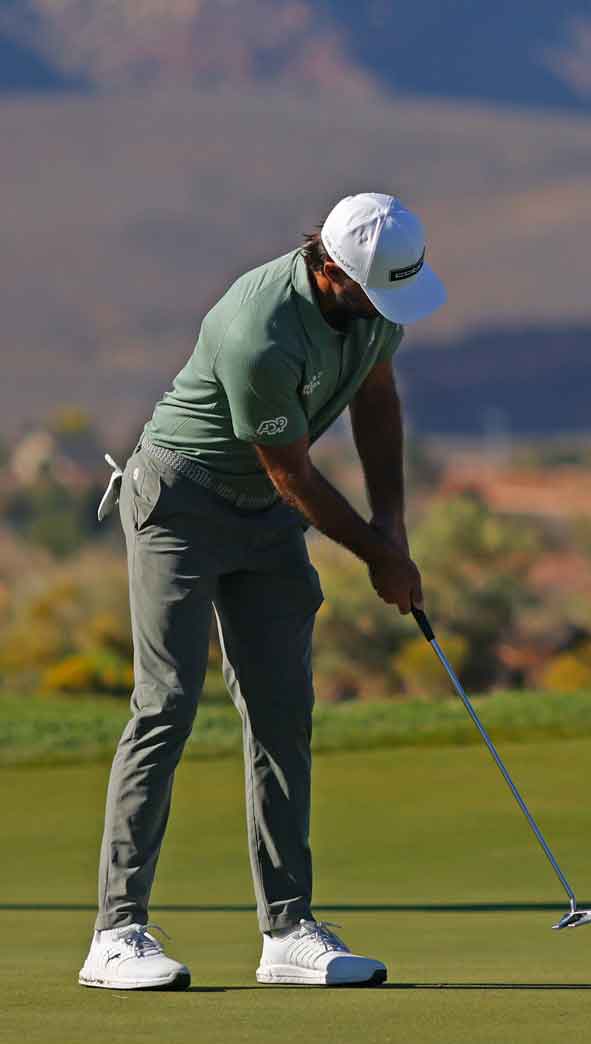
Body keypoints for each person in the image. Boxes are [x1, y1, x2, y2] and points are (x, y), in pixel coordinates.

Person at [79, 194, 445, 991]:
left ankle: (288, 929)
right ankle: (117, 933)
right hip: (181, 499)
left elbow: (377, 402)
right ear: (329, 267)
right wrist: (376, 559)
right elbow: (294, 474)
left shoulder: (375, 307)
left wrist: (394, 528)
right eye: (375, 292)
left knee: (283, 709)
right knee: (167, 702)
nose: (387, 308)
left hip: (264, 513)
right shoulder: (260, 329)